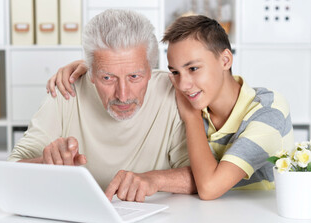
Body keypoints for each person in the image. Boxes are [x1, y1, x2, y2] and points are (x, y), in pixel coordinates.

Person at [47, 15, 294, 200]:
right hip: (201, 218)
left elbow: (208, 188)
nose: (184, 83)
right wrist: (91, 67)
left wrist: (191, 117)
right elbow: (137, 72)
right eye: (175, 71)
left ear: (225, 60)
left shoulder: (268, 112)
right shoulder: (195, 96)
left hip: (259, 219)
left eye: (193, 68)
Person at [8, 9, 196, 202]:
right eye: (107, 78)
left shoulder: (173, 93)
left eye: (134, 77)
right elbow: (11, 170)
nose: (123, 95)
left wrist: (155, 179)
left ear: (151, 70)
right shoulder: (65, 92)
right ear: (91, 73)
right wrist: (47, 164)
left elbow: (201, 177)